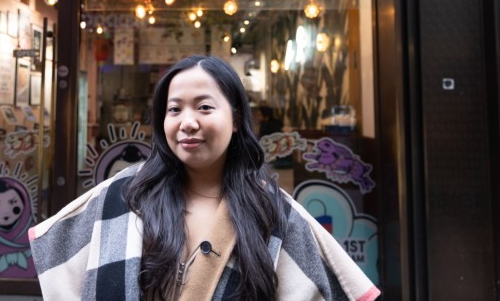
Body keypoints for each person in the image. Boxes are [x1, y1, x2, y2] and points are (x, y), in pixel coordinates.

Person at [28, 55, 380, 300]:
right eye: (174, 109)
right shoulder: (123, 195)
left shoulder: (273, 210)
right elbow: (58, 255)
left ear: (237, 118)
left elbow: (338, 283)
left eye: (205, 107)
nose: (187, 122)